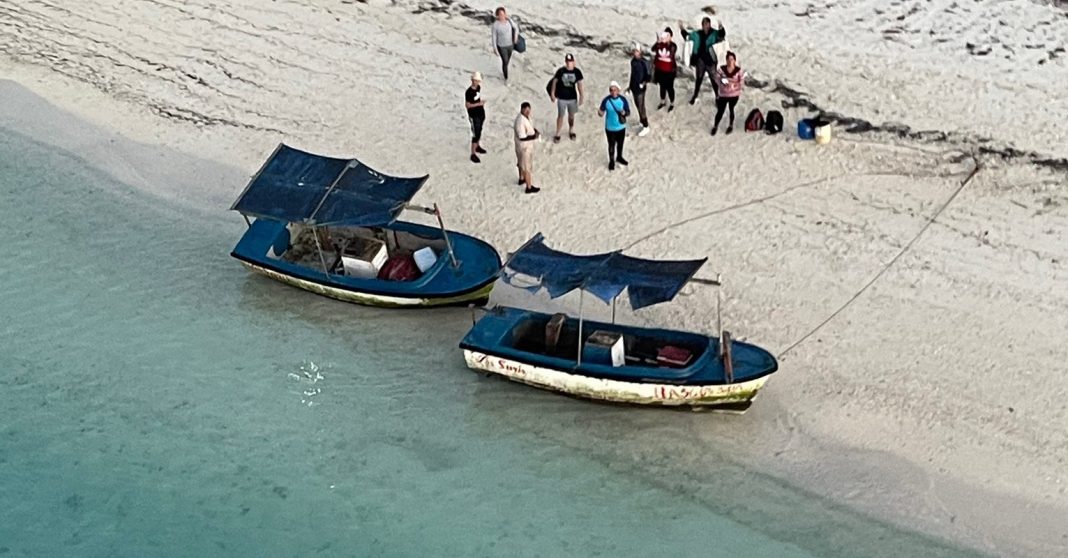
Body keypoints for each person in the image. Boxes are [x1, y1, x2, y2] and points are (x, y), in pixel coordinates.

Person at [679, 16, 726, 104]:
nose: (705, 26)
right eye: (704, 24)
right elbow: (687, 36)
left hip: (711, 61)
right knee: (699, 79)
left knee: (713, 79)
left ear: (710, 24)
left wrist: (721, 27)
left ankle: (717, 97)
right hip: (700, 60)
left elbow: (722, 35)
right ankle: (695, 95)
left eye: (707, 24)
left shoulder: (715, 33)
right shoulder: (697, 34)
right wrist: (681, 28)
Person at [549, 53, 585, 143]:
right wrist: (552, 93)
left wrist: (581, 96)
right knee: (560, 116)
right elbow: (554, 82)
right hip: (562, 98)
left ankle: (571, 130)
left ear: (573, 62)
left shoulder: (577, 72)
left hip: (572, 98)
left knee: (571, 116)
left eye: (571, 61)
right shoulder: (561, 71)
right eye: (568, 61)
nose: (569, 63)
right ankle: (557, 133)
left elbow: (580, 85)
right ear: (565, 62)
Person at [597, 82, 631, 171]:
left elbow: (628, 112)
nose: (613, 92)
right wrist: (600, 112)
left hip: (621, 127)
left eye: (614, 90)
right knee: (611, 145)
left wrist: (624, 112)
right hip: (610, 127)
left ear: (618, 90)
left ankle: (619, 157)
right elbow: (601, 112)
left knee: (620, 144)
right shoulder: (606, 100)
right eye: (611, 90)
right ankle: (611, 161)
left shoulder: (623, 100)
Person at [711, 51, 746, 135]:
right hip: (723, 94)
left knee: (731, 109)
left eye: (732, 59)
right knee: (720, 111)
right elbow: (716, 78)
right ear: (726, 60)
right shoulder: (721, 69)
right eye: (729, 59)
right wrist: (722, 83)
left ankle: (730, 125)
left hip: (734, 95)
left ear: (735, 60)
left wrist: (735, 86)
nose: (730, 61)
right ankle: (715, 126)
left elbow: (741, 82)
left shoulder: (738, 71)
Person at [513, 102, 541, 194]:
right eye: (526, 110)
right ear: (522, 109)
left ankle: (521, 178)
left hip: (520, 146)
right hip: (524, 147)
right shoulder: (520, 122)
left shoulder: (525, 118)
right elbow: (522, 137)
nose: (528, 112)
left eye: (529, 110)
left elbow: (530, 128)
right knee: (527, 167)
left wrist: (535, 131)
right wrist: (534, 137)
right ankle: (529, 187)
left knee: (521, 163)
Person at [627, 43, 651, 136]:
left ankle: (646, 126)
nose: (635, 53)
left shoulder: (644, 62)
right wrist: (629, 86)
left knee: (641, 107)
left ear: (640, 51)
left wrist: (643, 83)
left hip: (641, 88)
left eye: (637, 51)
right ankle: (641, 122)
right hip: (634, 86)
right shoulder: (633, 61)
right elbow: (633, 74)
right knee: (637, 105)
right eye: (634, 51)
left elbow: (648, 76)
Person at [464, 72, 488, 163]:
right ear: (472, 80)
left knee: (479, 131)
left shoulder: (478, 88)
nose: (476, 82)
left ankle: (477, 146)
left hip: (480, 113)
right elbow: (467, 105)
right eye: (475, 80)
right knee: (475, 134)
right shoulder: (468, 92)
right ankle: (473, 153)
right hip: (474, 116)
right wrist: (479, 104)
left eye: (478, 81)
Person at [651, 31, 677, 112]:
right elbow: (653, 49)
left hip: (669, 71)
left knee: (669, 88)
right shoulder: (659, 44)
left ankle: (672, 102)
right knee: (662, 87)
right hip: (660, 70)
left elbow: (673, 52)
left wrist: (668, 43)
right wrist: (657, 42)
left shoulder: (672, 45)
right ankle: (662, 101)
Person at [491, 7, 519, 80]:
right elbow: (494, 38)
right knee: (505, 61)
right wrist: (495, 49)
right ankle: (506, 77)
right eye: (500, 14)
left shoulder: (509, 21)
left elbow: (516, 28)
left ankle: (505, 69)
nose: (502, 16)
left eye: (503, 14)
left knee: (507, 61)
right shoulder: (495, 25)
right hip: (502, 46)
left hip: (510, 45)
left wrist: (515, 37)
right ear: (497, 16)